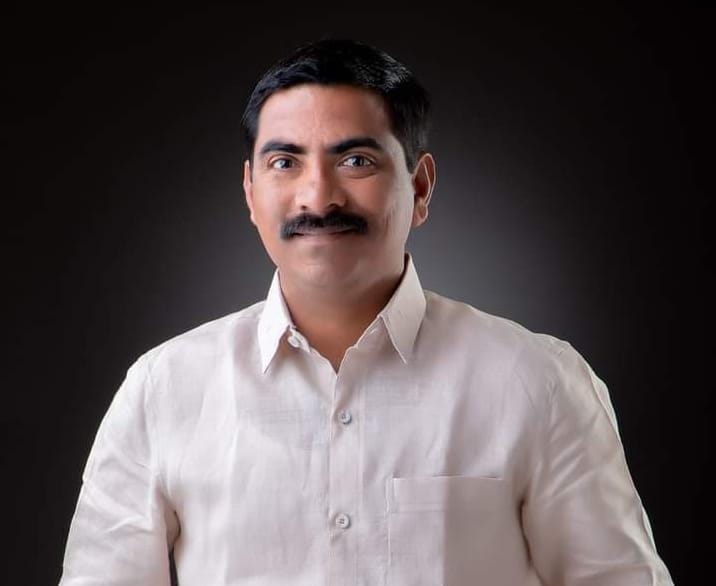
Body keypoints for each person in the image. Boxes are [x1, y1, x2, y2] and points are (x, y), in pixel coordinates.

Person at [59, 39, 674, 585]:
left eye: (356, 160)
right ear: (250, 192)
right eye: (285, 162)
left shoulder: (539, 382)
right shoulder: (162, 390)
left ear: (421, 186)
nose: (318, 196)